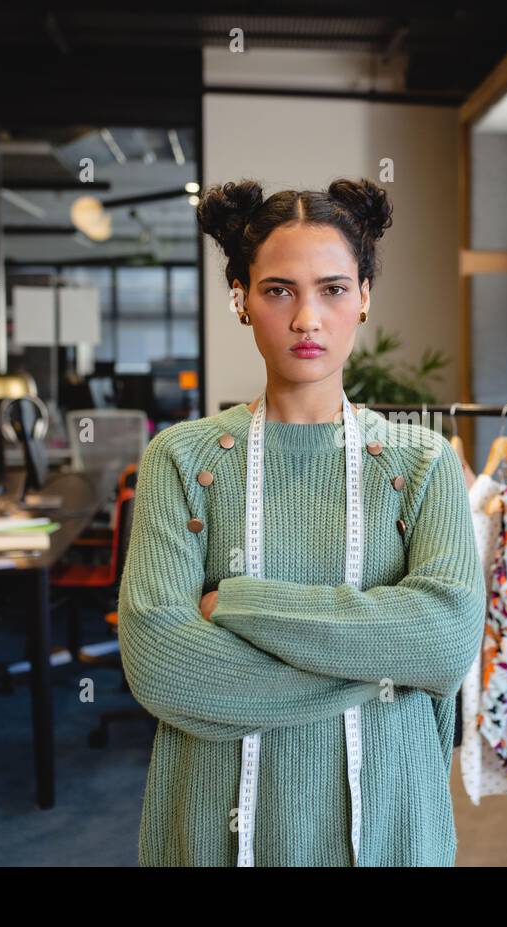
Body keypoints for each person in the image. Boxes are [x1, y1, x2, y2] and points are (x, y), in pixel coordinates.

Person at [117, 177, 486, 867]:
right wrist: (385, 669)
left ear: (365, 297)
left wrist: (241, 602)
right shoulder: (181, 459)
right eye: (279, 289)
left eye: (334, 289)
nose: (307, 318)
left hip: (390, 830)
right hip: (213, 829)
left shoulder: (423, 463)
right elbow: (161, 665)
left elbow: (444, 639)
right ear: (242, 299)